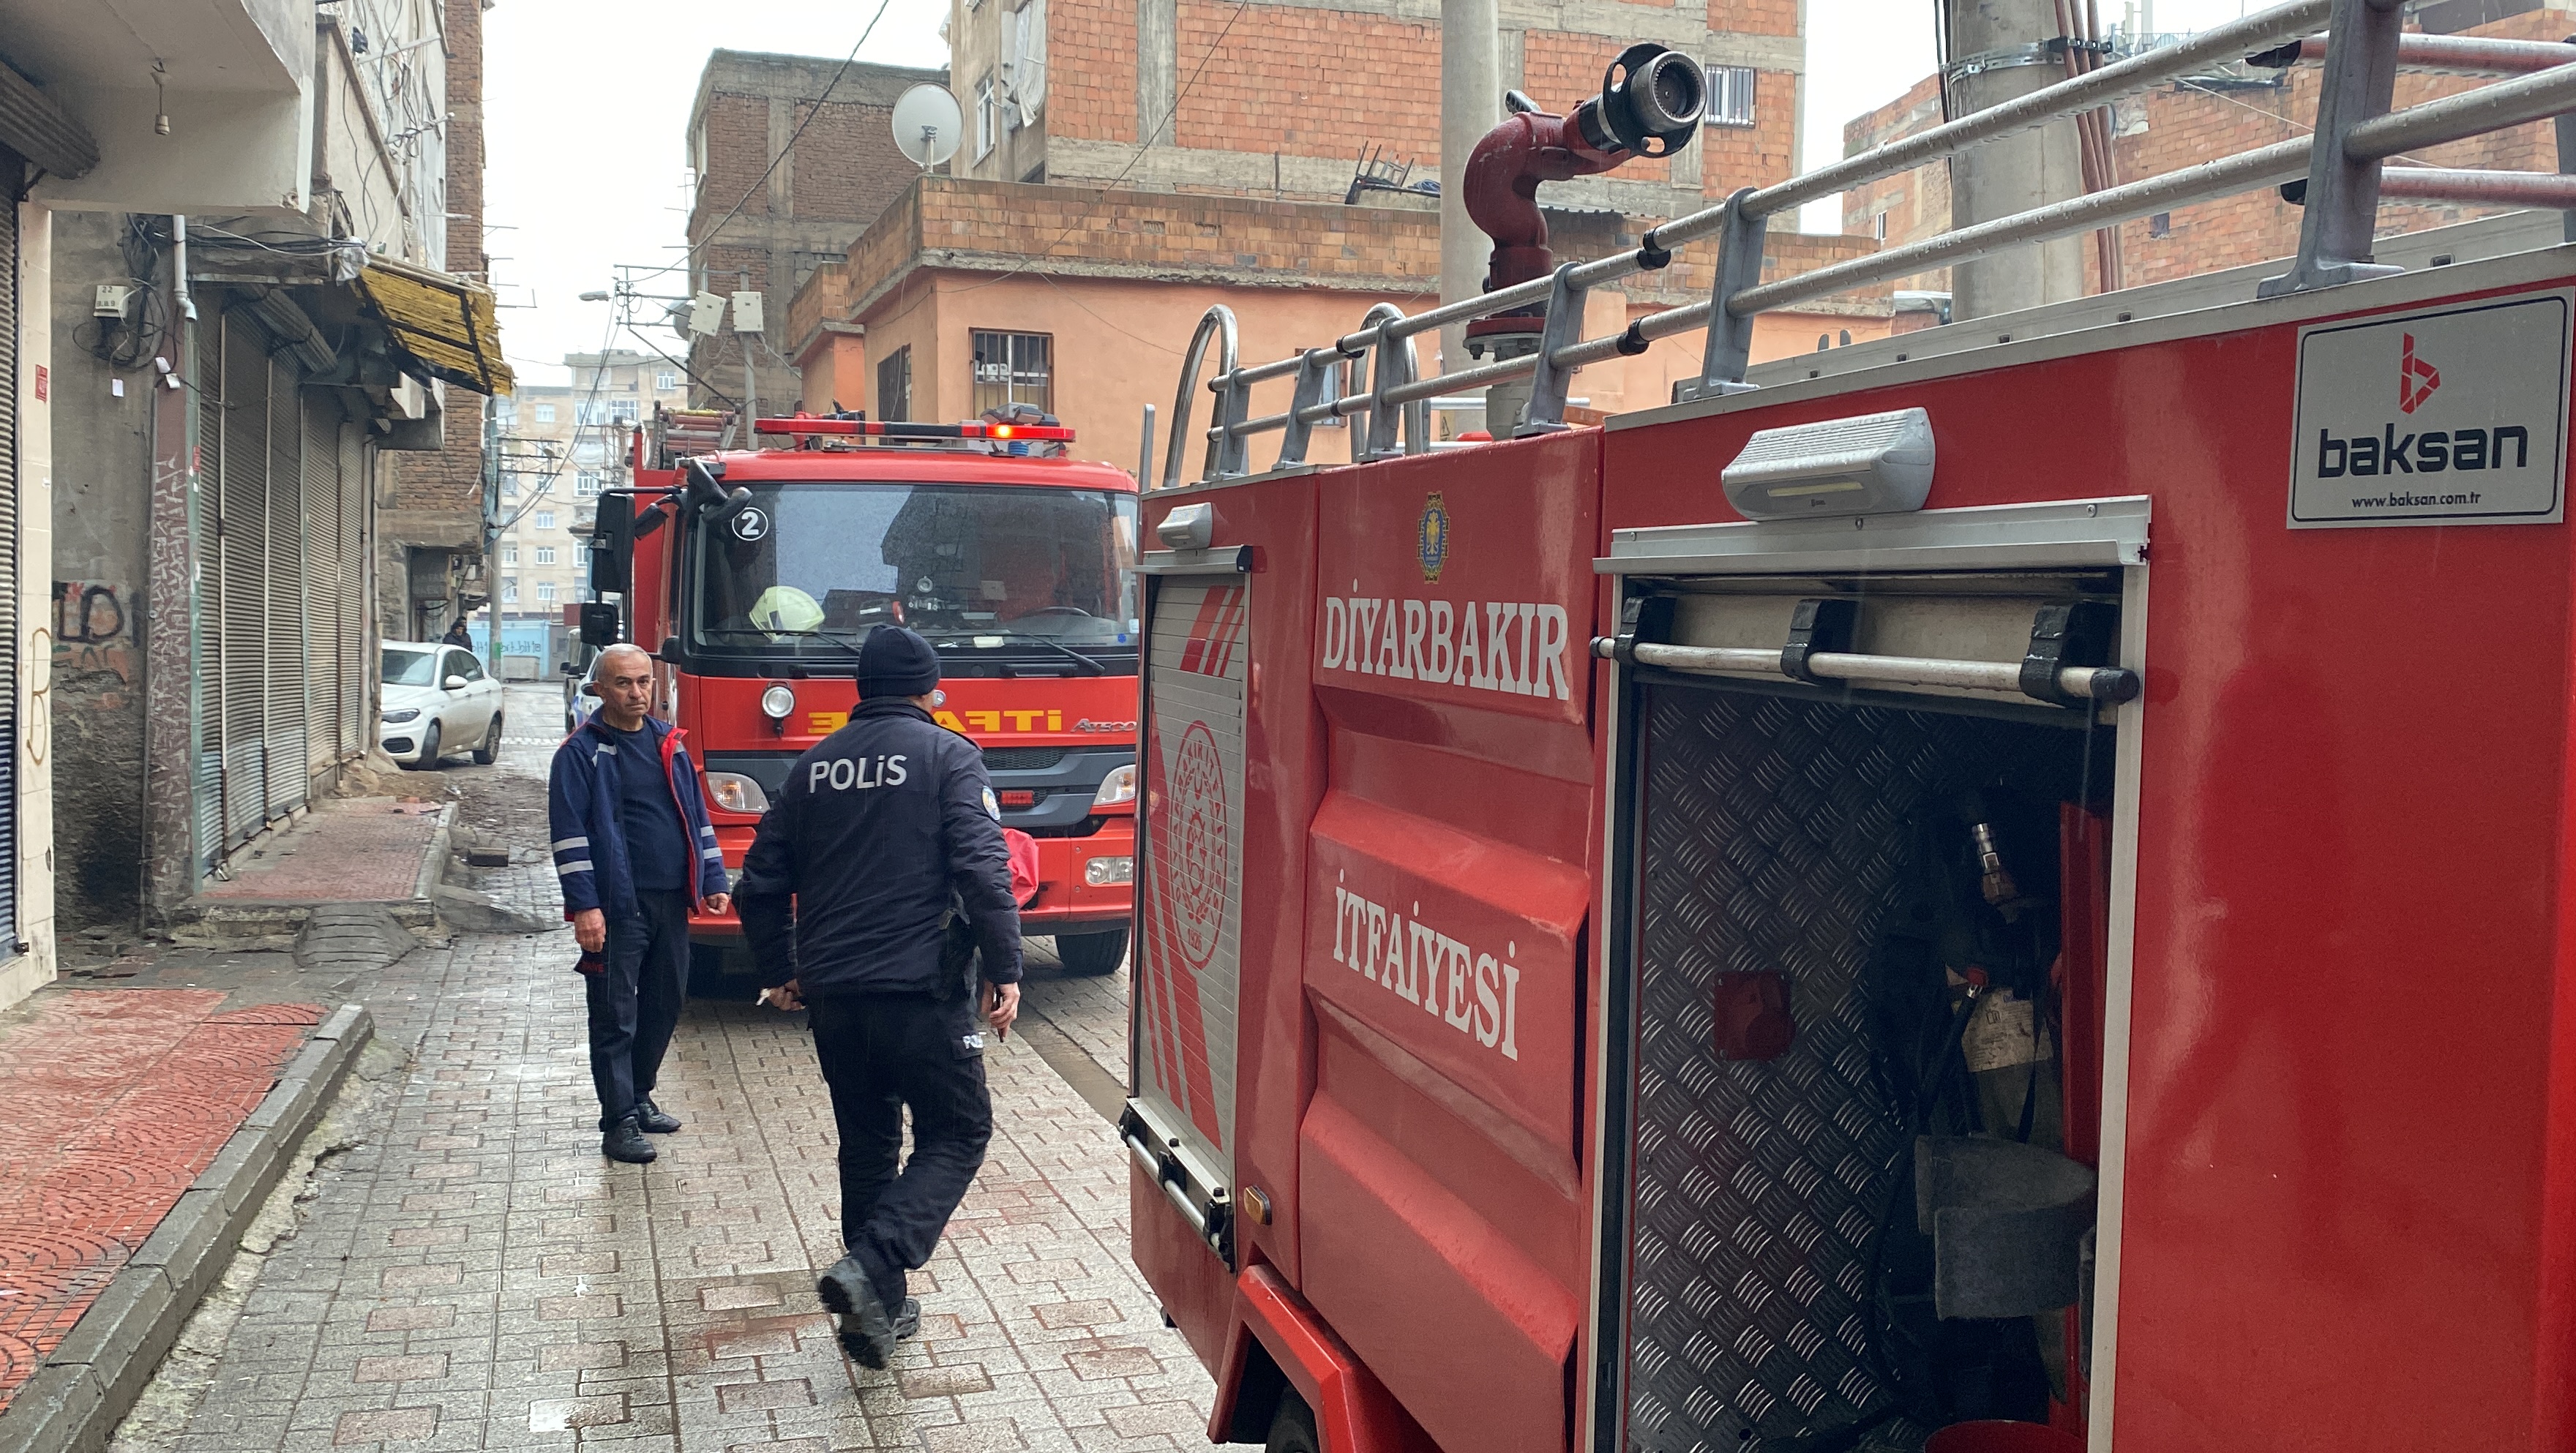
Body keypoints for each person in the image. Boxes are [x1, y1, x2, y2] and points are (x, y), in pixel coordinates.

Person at [735, 625, 1022, 1369]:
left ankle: (874, 1319)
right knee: (957, 1133)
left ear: (860, 691)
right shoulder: (948, 756)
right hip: (919, 993)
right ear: (929, 692)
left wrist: (781, 971)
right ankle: (871, 1266)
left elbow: (756, 887)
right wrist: (1006, 965)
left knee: (868, 1148)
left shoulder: (812, 767)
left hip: (834, 997)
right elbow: (984, 873)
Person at [547, 642, 732, 1164]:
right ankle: (619, 1121)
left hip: (671, 901)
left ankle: (640, 1095)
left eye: (644, 682)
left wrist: (713, 877)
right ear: (600, 689)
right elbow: (569, 837)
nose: (637, 693)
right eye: (624, 684)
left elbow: (697, 820)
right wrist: (585, 907)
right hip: (613, 907)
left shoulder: (669, 744)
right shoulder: (579, 754)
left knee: (665, 1001)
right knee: (614, 1014)